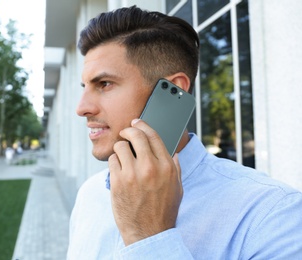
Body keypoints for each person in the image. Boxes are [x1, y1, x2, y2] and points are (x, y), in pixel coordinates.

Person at [67, 6, 302, 259]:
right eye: (85, 87)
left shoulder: (272, 214)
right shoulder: (89, 195)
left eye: (104, 84)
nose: (82, 108)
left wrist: (149, 237)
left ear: (172, 89)